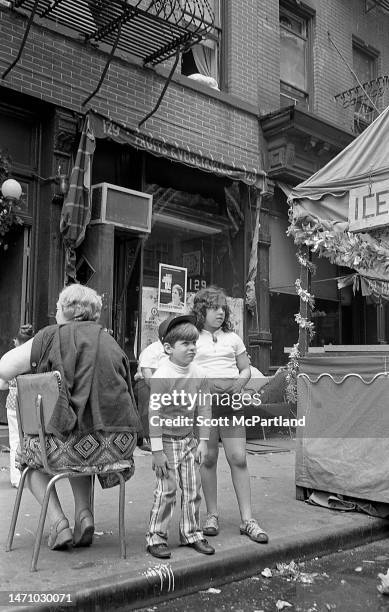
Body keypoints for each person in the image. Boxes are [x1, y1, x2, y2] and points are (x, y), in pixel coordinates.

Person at [0, 284, 141, 551]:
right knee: (82, 439)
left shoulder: (51, 335)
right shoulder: (109, 340)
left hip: (72, 446)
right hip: (118, 446)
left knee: (26, 459)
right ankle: (84, 515)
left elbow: (4, 367)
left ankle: (58, 524)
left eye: (57, 308)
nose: (55, 313)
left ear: (66, 310)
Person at [191, 285, 269, 544]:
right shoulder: (192, 337)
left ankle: (248, 519)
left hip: (232, 403)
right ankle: (211, 515)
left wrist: (239, 383)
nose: (220, 313)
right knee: (208, 458)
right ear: (201, 311)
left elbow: (245, 369)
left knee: (239, 457)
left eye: (222, 308)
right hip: (204, 405)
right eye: (214, 308)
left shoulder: (233, 338)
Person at [146, 314, 215, 559]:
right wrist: (156, 451)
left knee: (192, 488)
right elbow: (154, 413)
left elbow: (204, 408)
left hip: (188, 440)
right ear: (168, 348)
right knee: (166, 490)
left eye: (194, 343)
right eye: (185, 344)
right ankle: (156, 536)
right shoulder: (162, 376)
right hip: (165, 440)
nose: (192, 348)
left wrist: (203, 441)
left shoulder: (199, 373)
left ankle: (191, 533)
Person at [0, 324, 34, 488]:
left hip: (13, 403)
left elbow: (1, 385)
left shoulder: (12, 359)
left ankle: (16, 478)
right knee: (30, 439)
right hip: (29, 403)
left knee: (15, 440)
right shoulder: (33, 357)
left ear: (17, 341)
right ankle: (33, 474)